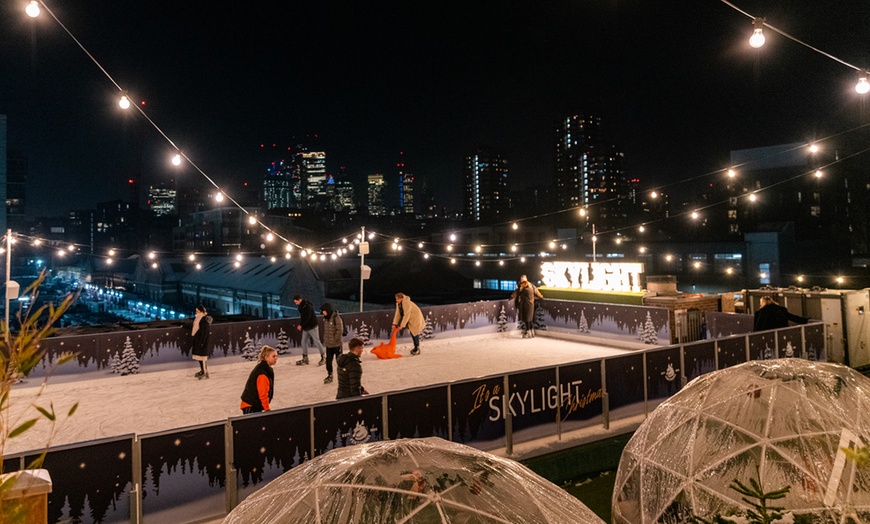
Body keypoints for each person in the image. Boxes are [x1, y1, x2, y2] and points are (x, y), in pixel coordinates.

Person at [240, 345, 278, 413]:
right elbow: (263, 394)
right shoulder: (262, 373)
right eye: (273, 356)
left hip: (254, 405)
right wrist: (267, 409)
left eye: (276, 356)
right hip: (251, 406)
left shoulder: (265, 369)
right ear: (266, 357)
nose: (276, 358)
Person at [294, 294, 325, 366]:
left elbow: (307, 317)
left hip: (312, 327)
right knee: (303, 342)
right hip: (306, 327)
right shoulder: (300, 307)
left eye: (296, 302)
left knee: (317, 341)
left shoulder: (307, 306)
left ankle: (323, 357)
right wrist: (302, 325)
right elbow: (303, 317)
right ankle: (305, 358)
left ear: (300, 300)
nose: (296, 303)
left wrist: (301, 325)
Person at [321, 302, 344, 384]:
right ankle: (330, 374)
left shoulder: (336, 318)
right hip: (329, 345)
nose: (323, 313)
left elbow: (340, 330)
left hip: (337, 345)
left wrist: (335, 339)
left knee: (340, 361)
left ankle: (343, 375)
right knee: (328, 361)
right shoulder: (326, 318)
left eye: (324, 311)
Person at [191, 305, 213, 379]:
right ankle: (203, 370)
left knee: (203, 358)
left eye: (197, 310)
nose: (196, 311)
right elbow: (194, 327)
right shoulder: (198, 319)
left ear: (200, 311)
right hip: (199, 341)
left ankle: (204, 371)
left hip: (202, 342)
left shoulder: (203, 320)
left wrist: (202, 343)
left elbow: (204, 333)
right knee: (200, 357)